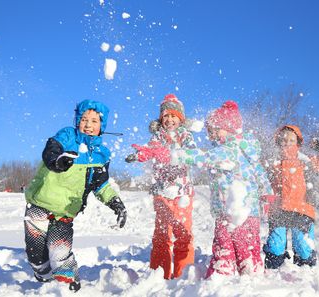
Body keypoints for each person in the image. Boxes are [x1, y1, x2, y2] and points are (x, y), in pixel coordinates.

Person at [24, 99, 127, 291]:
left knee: (60, 253)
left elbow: (101, 185)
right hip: (39, 203)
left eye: (94, 121)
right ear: (77, 121)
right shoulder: (67, 135)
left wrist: (116, 203)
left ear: (101, 126)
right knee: (35, 253)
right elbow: (51, 150)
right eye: (84, 120)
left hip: (65, 212)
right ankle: (44, 280)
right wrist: (57, 161)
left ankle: (69, 286)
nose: (88, 125)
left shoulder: (101, 154)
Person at [174, 100, 273, 277]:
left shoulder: (227, 150)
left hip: (231, 212)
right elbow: (261, 174)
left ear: (228, 128)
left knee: (224, 248)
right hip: (250, 213)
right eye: (209, 131)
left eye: (214, 130)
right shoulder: (246, 152)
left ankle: (220, 278)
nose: (211, 135)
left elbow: (202, 157)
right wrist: (267, 194)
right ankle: (254, 278)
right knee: (249, 250)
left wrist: (175, 155)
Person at [126, 94, 197, 279]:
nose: (169, 120)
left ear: (180, 118)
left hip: (182, 193)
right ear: (161, 119)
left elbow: (193, 153)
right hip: (161, 192)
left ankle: (183, 273)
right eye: (166, 116)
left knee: (183, 232)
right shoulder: (157, 136)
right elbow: (150, 150)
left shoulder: (185, 135)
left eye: (173, 116)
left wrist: (175, 154)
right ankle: (159, 273)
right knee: (162, 234)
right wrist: (139, 155)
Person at [263, 125, 319, 268]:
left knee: (303, 246)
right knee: (275, 245)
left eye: (291, 139)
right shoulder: (273, 162)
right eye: (284, 139)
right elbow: (261, 178)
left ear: (298, 142)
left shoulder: (306, 160)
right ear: (278, 142)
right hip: (278, 209)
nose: (287, 142)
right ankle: (272, 273)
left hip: (302, 208)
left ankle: (306, 272)